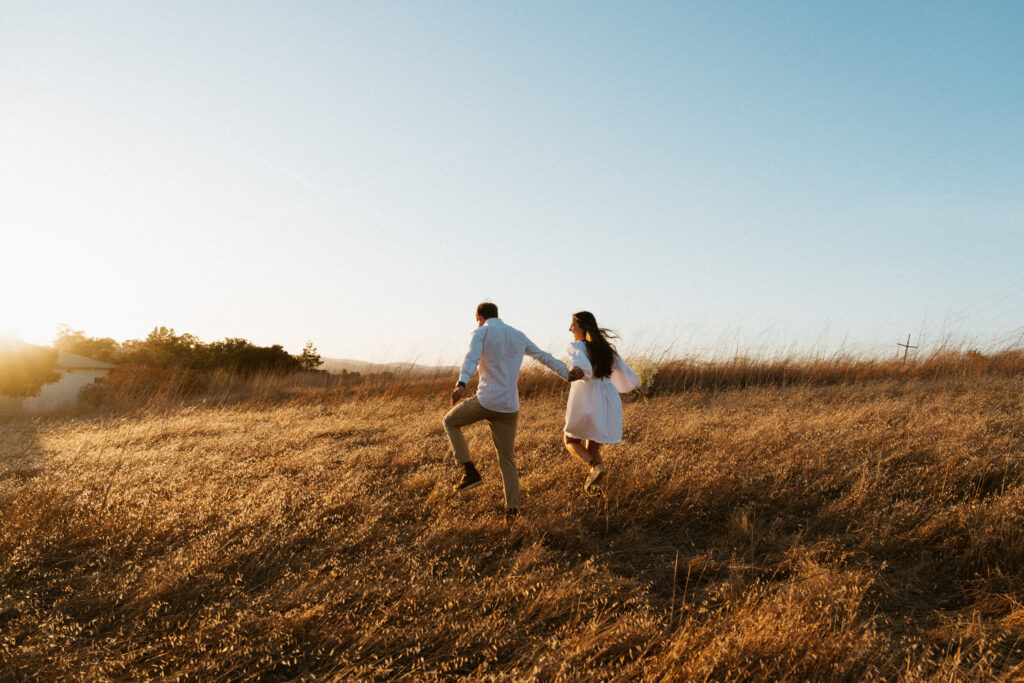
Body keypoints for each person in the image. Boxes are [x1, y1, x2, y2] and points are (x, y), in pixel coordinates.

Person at [443, 302, 572, 517]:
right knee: (506, 458)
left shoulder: (481, 332)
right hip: (509, 407)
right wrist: (566, 374)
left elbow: (471, 358)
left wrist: (461, 384)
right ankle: (513, 508)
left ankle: (469, 470)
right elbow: (543, 356)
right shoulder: (518, 335)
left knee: (449, 421)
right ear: (497, 314)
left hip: (486, 401)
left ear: (479, 316)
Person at [563, 311, 648, 490]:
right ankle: (597, 489)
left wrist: (579, 371)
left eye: (573, 325)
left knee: (570, 441)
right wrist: (639, 387)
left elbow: (581, 366)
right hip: (608, 397)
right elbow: (624, 370)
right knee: (593, 447)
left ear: (583, 327)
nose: (570, 329)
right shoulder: (606, 349)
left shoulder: (576, 347)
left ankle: (596, 467)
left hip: (586, 394)